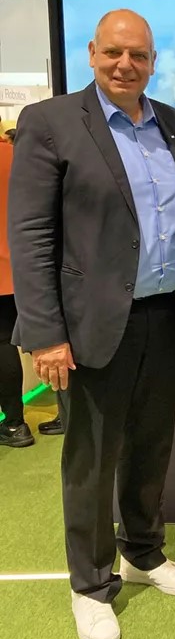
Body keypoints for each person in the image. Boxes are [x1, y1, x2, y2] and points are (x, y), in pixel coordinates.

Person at [8, 9, 175, 639]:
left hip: (164, 316)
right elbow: (32, 233)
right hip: (92, 324)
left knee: (153, 446)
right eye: (115, 53)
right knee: (93, 460)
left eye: (140, 56)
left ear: (153, 62)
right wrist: (44, 333)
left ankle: (144, 554)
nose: (127, 64)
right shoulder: (50, 123)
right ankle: (91, 584)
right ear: (93, 52)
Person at [0, 136, 33, 448]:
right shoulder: (21, 155)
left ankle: (13, 424)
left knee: (2, 345)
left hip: (2, 272)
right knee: (44, 342)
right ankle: (68, 413)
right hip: (29, 266)